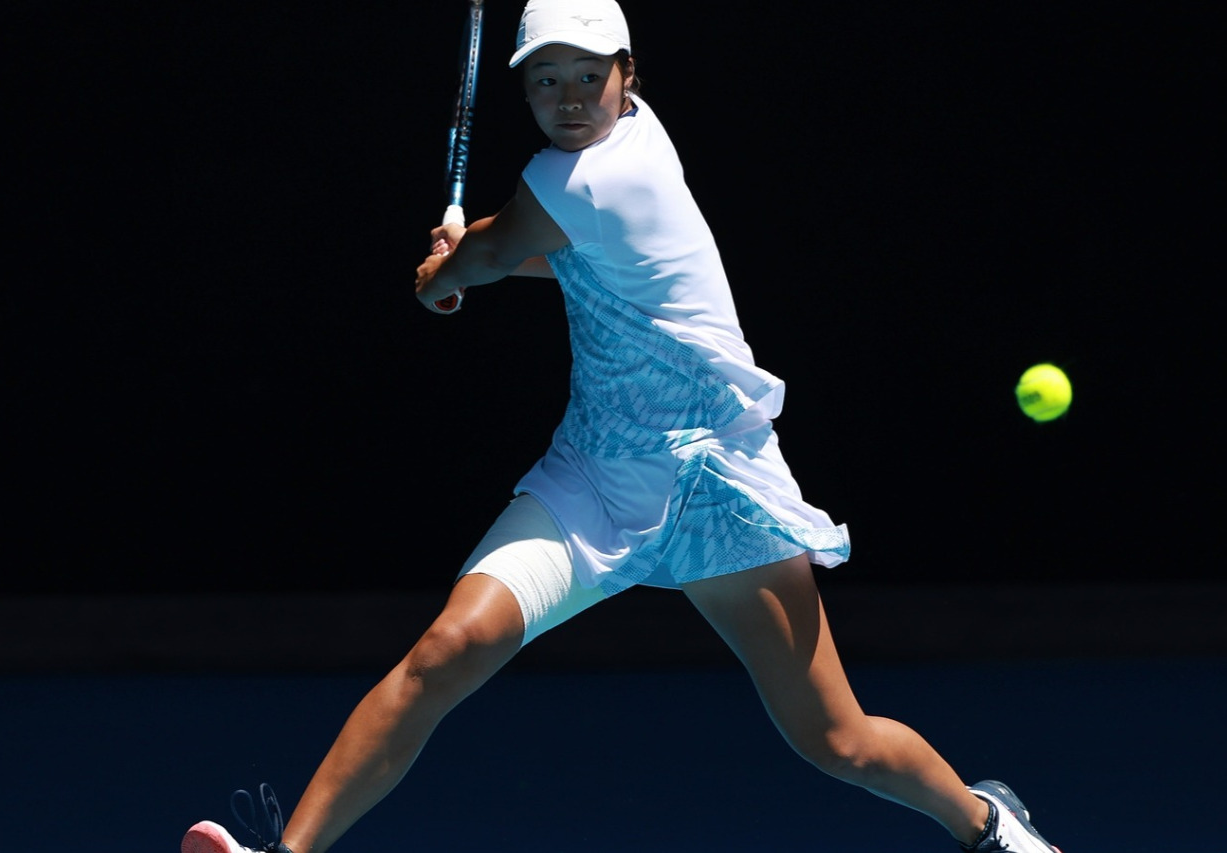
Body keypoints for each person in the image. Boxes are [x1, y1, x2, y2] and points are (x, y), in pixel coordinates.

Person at [182, 1, 1062, 851]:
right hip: (595, 481)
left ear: (627, 76)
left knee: (836, 739)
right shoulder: (621, 151)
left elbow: (492, 255)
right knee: (446, 648)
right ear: (525, 91)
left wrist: (452, 266)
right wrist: (469, 263)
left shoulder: (596, 174)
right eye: (546, 82)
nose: (568, 99)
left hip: (716, 489)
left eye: (588, 77)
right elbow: (553, 262)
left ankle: (987, 825)